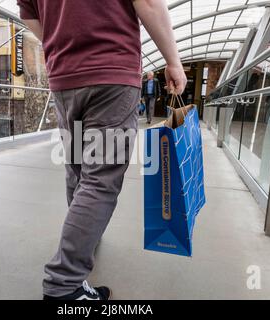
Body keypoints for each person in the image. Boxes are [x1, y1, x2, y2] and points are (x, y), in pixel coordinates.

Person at [17, 0, 187, 300]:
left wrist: (65, 42)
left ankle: (83, 241)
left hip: (65, 80)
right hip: (111, 75)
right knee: (100, 180)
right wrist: (173, 60)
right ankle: (63, 285)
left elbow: (30, 16)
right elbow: (147, 2)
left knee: (77, 169)